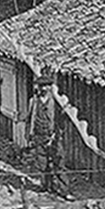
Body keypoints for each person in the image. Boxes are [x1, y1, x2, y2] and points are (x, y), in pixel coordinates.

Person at [24, 70, 71, 200]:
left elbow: (61, 122)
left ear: (50, 87)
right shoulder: (33, 101)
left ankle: (64, 191)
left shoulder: (56, 102)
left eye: (46, 86)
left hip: (53, 137)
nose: (43, 88)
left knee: (59, 163)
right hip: (39, 136)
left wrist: (56, 135)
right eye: (41, 86)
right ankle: (46, 187)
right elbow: (29, 119)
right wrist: (28, 136)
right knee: (42, 163)